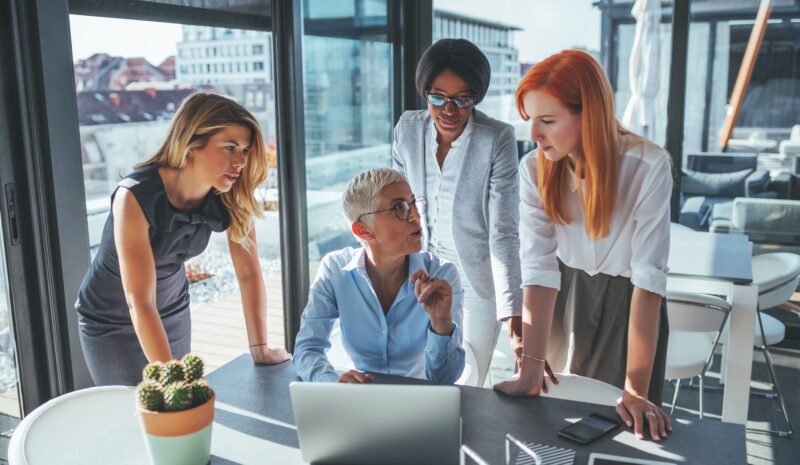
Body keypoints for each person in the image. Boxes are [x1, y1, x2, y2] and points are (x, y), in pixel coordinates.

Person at [493, 50, 673, 442]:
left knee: (622, 430)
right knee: (554, 425)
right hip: (562, 298)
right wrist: (529, 370)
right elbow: (539, 270)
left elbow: (648, 280)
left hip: (630, 304)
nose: (534, 136)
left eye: (548, 121)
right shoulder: (533, 171)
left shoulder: (648, 166)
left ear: (587, 115)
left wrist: (637, 390)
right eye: (530, 121)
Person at [76, 93, 290, 386]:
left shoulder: (229, 193)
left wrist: (259, 348)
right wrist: (173, 379)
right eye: (230, 148)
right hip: (111, 317)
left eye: (244, 150)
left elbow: (249, 273)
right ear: (191, 145)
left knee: (179, 410)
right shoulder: (134, 195)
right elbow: (138, 300)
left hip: (171, 306)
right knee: (133, 411)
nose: (240, 161)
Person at [392, 39, 522, 387]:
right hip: (424, 273)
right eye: (438, 97)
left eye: (462, 99)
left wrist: (511, 311)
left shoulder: (497, 139)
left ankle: (467, 441)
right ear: (425, 93)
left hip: (478, 277)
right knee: (423, 370)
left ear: (476, 98)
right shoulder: (407, 130)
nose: (449, 110)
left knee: (472, 378)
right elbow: (397, 209)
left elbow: (504, 231)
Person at [293, 168, 465, 385]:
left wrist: (441, 323)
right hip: (358, 403)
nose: (415, 215)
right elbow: (307, 349)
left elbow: (444, 379)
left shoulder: (441, 276)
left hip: (420, 404)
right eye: (399, 208)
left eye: (413, 204)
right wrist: (332, 384)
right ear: (363, 230)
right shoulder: (334, 269)